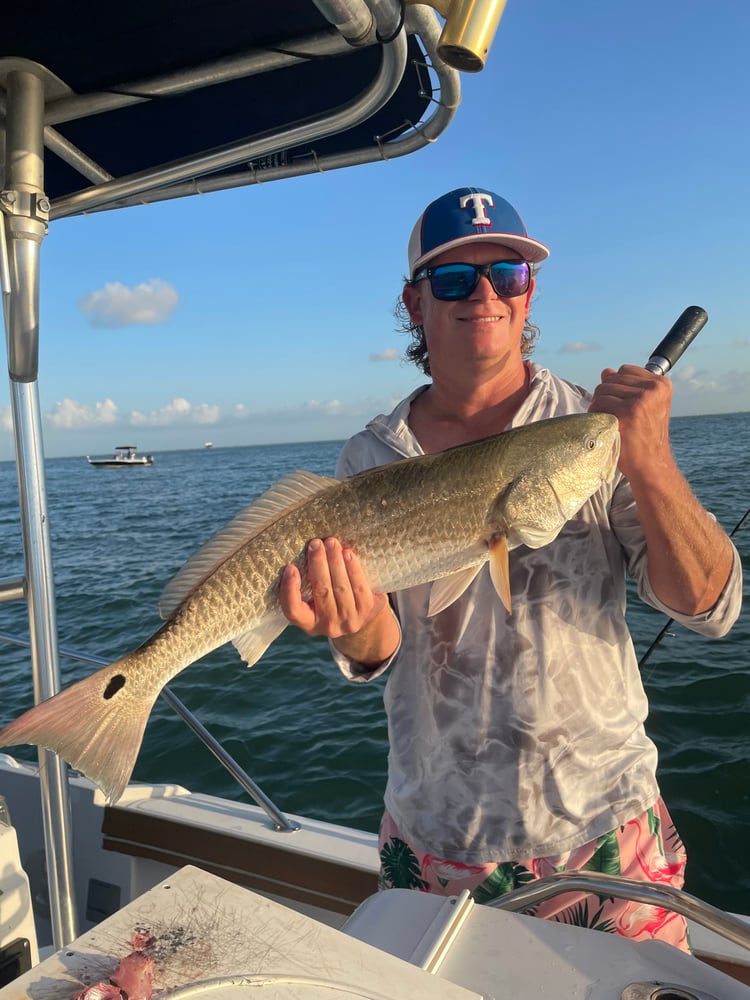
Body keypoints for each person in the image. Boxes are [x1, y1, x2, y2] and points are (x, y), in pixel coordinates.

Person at [279, 186, 742, 951]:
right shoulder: (371, 455)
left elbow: (711, 609)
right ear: (415, 301)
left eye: (508, 274)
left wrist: (650, 460)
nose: (485, 294)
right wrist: (356, 623)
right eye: (455, 279)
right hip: (433, 835)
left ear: (530, 294)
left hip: (601, 826)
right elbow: (378, 650)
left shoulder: (591, 431)